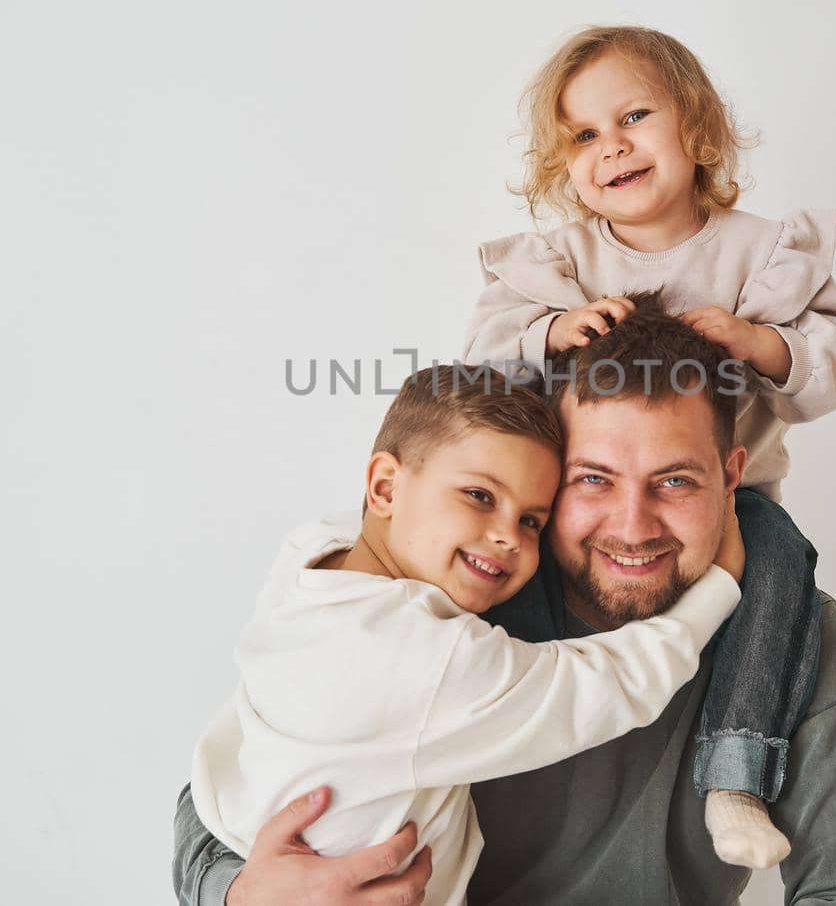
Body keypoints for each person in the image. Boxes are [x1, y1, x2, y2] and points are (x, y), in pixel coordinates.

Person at [172, 295, 836, 905]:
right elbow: (221, 790)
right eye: (593, 477)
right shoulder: (450, 601)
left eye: (676, 480)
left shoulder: (790, 633)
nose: (632, 526)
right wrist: (241, 895)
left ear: (732, 477)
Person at [463, 25, 836, 865]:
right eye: (583, 136)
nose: (610, 147)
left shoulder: (762, 253)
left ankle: (735, 769)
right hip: (576, 506)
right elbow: (480, 358)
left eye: (634, 117)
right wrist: (552, 329)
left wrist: (761, 342)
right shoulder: (562, 263)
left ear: (695, 124)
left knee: (781, 573)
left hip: (734, 503)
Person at [187, 365, 747, 906]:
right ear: (384, 487)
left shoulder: (307, 564)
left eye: (532, 519)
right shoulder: (424, 659)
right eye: (480, 496)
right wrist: (721, 583)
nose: (506, 536)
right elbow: (614, 683)